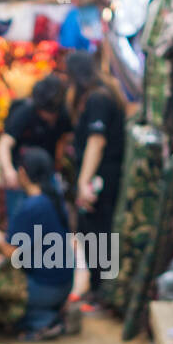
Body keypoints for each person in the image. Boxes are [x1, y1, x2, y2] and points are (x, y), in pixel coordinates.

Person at [0, 148, 75, 341]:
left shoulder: (32, 206)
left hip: (47, 287)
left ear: (23, 173)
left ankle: (44, 320)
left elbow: (11, 252)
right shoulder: (52, 200)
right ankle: (51, 313)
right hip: (63, 283)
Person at [64, 50, 126, 296]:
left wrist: (83, 181)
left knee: (96, 231)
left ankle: (101, 290)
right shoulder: (105, 92)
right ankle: (100, 287)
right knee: (97, 231)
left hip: (99, 176)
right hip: (103, 174)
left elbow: (96, 141)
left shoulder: (97, 99)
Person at [0, 75, 69, 221]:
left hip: (48, 175)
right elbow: (4, 144)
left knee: (54, 217)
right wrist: (8, 170)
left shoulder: (63, 115)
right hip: (22, 177)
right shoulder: (25, 112)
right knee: (21, 221)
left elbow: (66, 138)